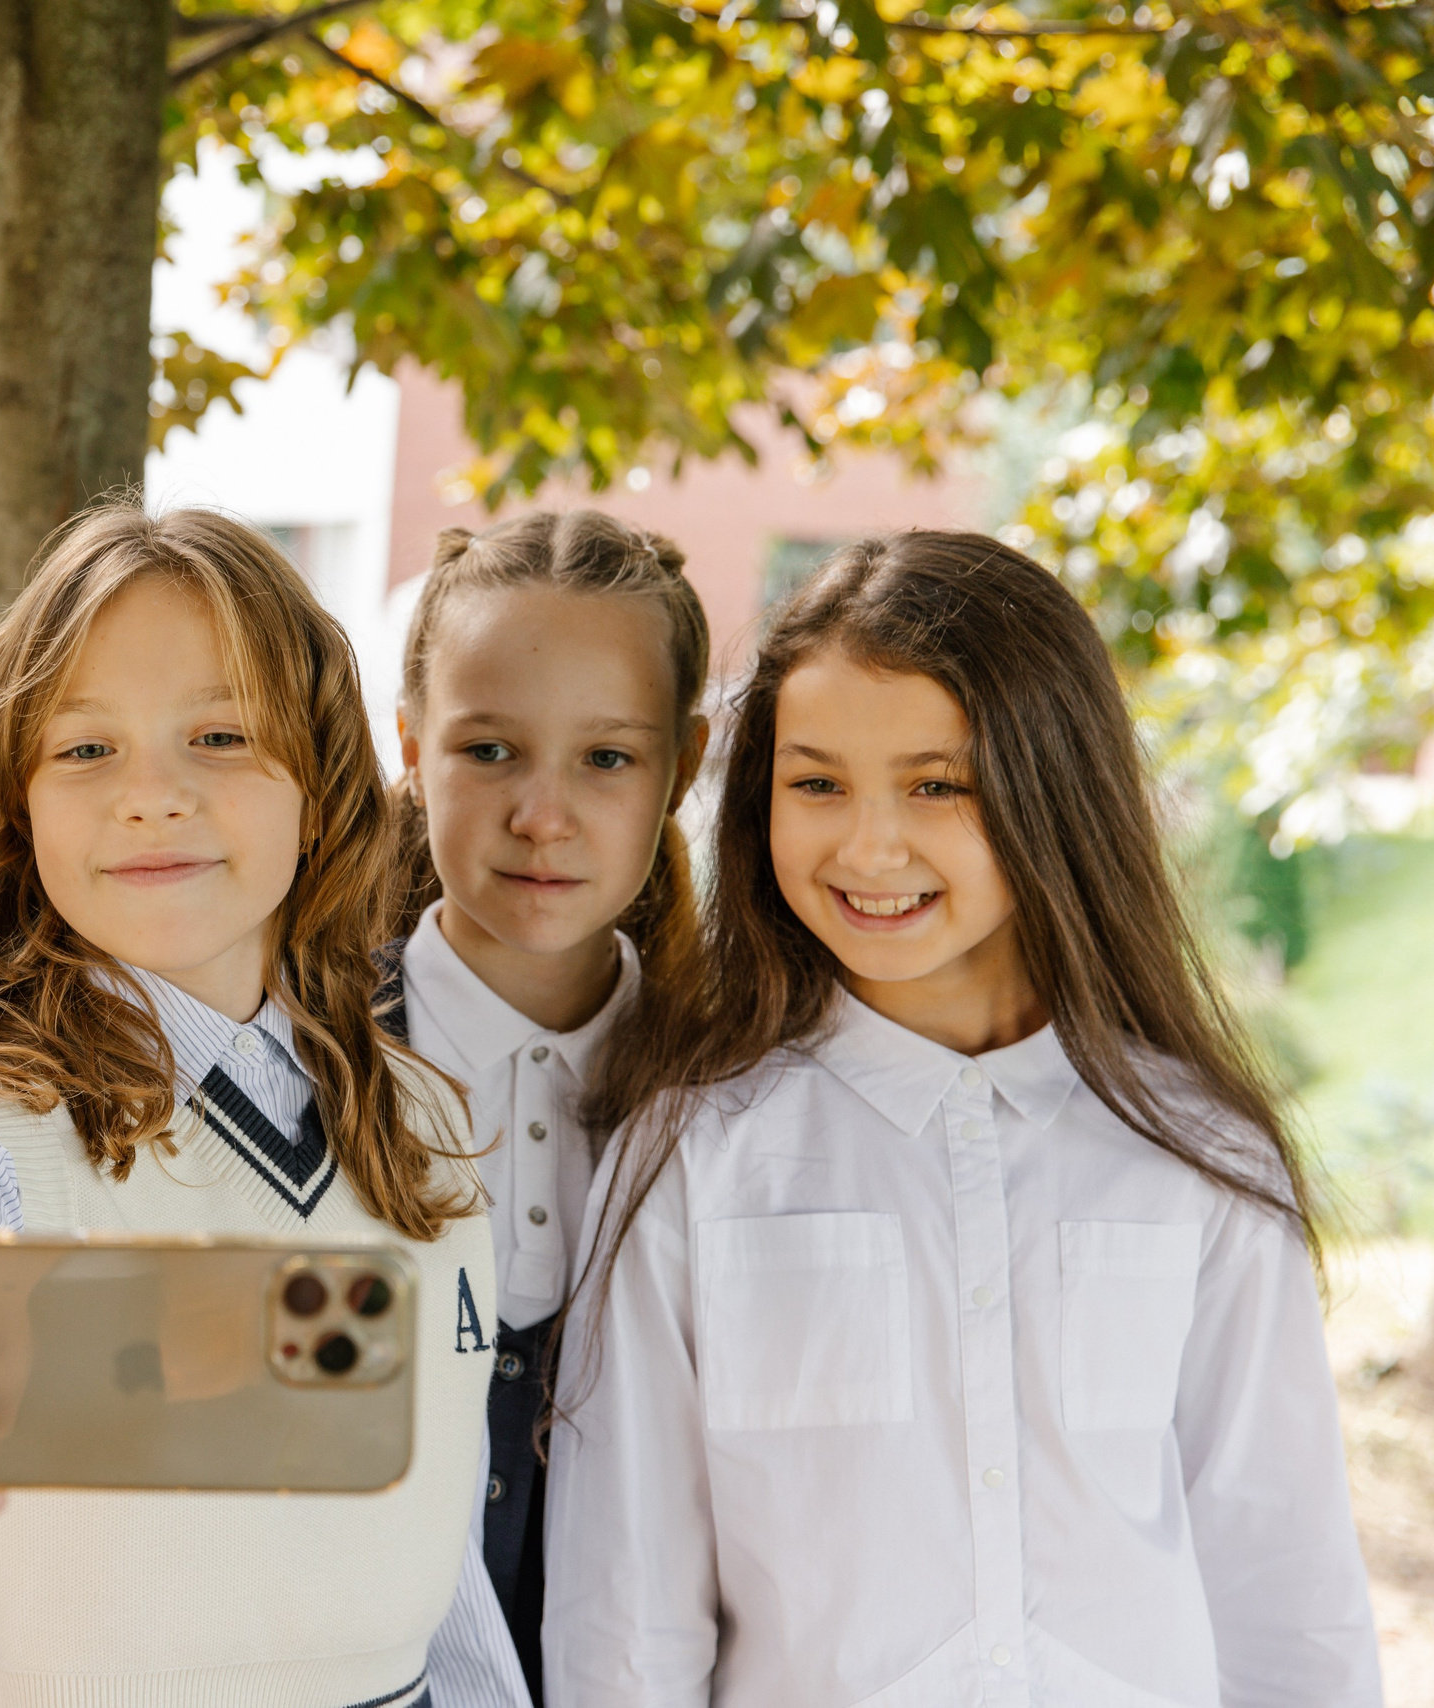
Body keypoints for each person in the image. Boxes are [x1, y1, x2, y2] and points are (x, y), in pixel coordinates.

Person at [546, 532, 1382, 1707]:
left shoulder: (1200, 1156)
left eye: (936, 784)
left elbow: (1285, 1590)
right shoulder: (693, 1156)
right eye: (816, 783)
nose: (868, 844)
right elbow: (625, 1615)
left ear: (1053, 787)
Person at [0, 504, 522, 1707]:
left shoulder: (427, 1122)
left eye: (218, 735)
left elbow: (432, 1556)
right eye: (87, 749)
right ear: (18, 806)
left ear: (320, 783)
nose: (150, 793)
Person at [377, 511, 708, 1703]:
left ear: (684, 766)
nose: (542, 815)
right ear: (410, 745)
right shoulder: (297, 1063)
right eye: (488, 750)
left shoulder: (730, 1093)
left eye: (606, 758)